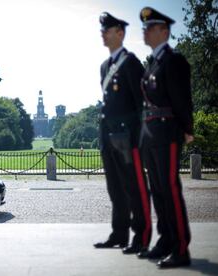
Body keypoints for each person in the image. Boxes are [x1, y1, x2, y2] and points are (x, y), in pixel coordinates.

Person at [137, 7, 193, 268]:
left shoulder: (174, 61)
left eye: (149, 27)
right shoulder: (152, 63)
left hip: (167, 130)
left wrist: (187, 129)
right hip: (150, 133)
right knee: (158, 191)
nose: (144, 31)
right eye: (144, 28)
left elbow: (182, 99)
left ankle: (181, 247)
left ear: (164, 31)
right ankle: (166, 240)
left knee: (170, 190)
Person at [94, 12, 152, 255]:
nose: (103, 34)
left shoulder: (131, 63)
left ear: (120, 33)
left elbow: (142, 104)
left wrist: (139, 136)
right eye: (102, 31)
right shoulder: (105, 66)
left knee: (135, 187)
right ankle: (119, 234)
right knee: (115, 188)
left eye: (107, 30)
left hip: (128, 138)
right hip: (109, 138)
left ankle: (141, 236)